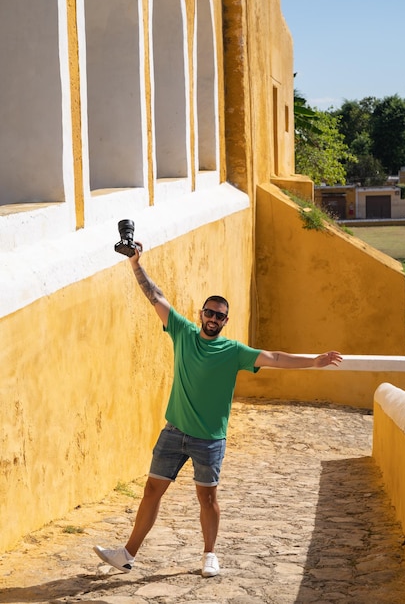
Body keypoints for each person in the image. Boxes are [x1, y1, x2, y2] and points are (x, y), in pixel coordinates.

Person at [94, 242, 342, 577]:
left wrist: (314, 361)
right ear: (201, 314)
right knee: (152, 490)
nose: (212, 318)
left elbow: (276, 358)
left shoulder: (233, 351)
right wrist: (136, 264)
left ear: (226, 320)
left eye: (219, 315)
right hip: (174, 431)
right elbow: (155, 296)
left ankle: (209, 554)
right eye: (208, 312)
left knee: (207, 499)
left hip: (209, 438)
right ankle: (127, 553)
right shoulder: (182, 332)